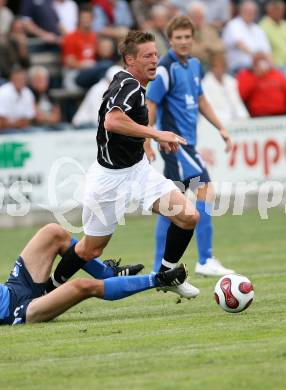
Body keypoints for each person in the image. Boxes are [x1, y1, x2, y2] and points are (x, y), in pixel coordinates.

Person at [46, 30, 200, 299]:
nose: (155, 61)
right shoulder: (128, 85)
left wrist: (148, 139)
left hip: (138, 171)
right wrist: (156, 134)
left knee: (188, 216)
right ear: (130, 60)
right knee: (90, 250)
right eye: (147, 56)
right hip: (108, 180)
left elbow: (125, 123)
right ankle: (47, 292)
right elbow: (112, 122)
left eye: (156, 55)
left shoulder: (130, 84)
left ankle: (167, 276)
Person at [145, 16, 235, 277]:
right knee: (205, 190)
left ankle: (157, 267)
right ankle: (205, 259)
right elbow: (151, 106)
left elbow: (201, 99)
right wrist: (147, 141)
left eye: (187, 37)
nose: (183, 41)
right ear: (170, 39)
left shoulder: (194, 65)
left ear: (193, 39)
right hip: (175, 144)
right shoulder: (165, 69)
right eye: (178, 37)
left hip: (188, 145)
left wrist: (220, 127)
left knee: (172, 204)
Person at [0, 223, 188, 325]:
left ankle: (106, 273)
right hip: (19, 312)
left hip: (14, 288)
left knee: (53, 232)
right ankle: (159, 280)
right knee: (82, 286)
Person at [222, 0, 272, 74]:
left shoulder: (258, 29)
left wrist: (272, 67)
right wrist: (256, 58)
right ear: (241, 11)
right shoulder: (233, 25)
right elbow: (239, 44)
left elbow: (267, 52)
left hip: (259, 68)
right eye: (247, 11)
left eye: (253, 11)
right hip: (239, 68)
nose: (250, 13)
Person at [201, 51, 249, 124]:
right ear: (211, 68)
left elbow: (237, 103)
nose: (219, 69)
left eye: (222, 66)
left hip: (235, 122)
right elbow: (209, 108)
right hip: (215, 123)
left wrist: (245, 118)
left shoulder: (231, 82)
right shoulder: (204, 84)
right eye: (216, 66)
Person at [236, 52, 286, 117]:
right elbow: (241, 96)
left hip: (280, 114)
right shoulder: (246, 75)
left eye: (263, 59)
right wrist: (256, 76)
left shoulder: (276, 74)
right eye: (258, 60)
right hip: (259, 116)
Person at [0, 65, 35, 131]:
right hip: (5, 130)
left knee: (37, 131)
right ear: (12, 79)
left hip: (23, 129)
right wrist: (19, 123)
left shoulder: (28, 93)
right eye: (18, 79)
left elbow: (29, 119)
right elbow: (2, 122)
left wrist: (15, 123)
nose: (20, 81)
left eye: (22, 79)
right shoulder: (3, 92)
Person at [260, 0, 286, 72]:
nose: (280, 13)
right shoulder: (262, 27)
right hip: (276, 66)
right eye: (277, 9)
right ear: (269, 10)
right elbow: (264, 50)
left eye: (282, 10)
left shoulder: (284, 24)